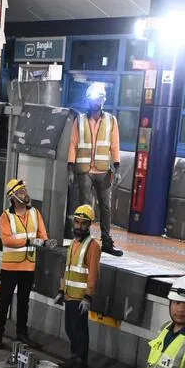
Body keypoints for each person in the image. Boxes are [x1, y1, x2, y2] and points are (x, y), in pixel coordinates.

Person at [68, 81, 123, 257]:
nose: (96, 102)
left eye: (99, 98)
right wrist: (70, 167)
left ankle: (106, 241)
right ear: (88, 100)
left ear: (103, 100)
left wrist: (117, 166)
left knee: (105, 207)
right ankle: (84, 240)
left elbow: (115, 145)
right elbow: (73, 144)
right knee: (85, 206)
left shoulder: (111, 120)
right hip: (84, 170)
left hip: (104, 171)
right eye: (93, 98)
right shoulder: (80, 120)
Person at [0, 178, 48, 350]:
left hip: (28, 267)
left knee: (24, 303)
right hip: (10, 268)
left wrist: (43, 242)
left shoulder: (35, 213)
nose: (25, 194)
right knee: (5, 302)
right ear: (13, 197)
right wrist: (28, 241)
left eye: (25, 190)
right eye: (21, 192)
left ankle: (22, 334)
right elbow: (7, 240)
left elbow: (42, 235)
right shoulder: (6, 216)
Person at [52, 204, 101, 368]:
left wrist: (88, 297)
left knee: (79, 332)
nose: (78, 227)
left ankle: (81, 365)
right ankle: (75, 358)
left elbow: (93, 273)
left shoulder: (92, 246)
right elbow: (68, 269)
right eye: (77, 222)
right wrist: (61, 290)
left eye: (83, 224)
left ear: (89, 226)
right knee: (70, 329)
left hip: (80, 298)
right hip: (69, 295)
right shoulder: (73, 244)